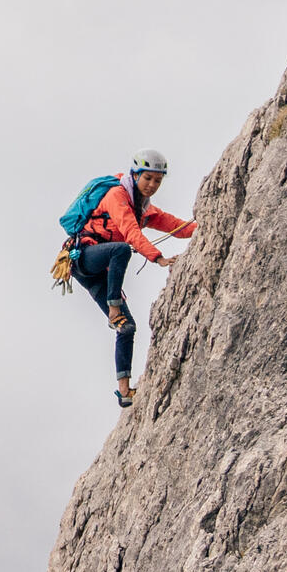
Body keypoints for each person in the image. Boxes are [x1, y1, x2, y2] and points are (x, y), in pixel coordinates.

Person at [67, 150, 190, 410]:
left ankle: (124, 391)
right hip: (85, 258)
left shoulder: (143, 208)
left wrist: (206, 222)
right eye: (147, 178)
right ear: (134, 175)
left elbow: (176, 226)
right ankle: (114, 306)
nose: (152, 185)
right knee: (121, 249)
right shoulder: (117, 197)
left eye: (158, 181)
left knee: (127, 327)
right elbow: (130, 233)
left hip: (102, 273)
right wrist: (158, 258)